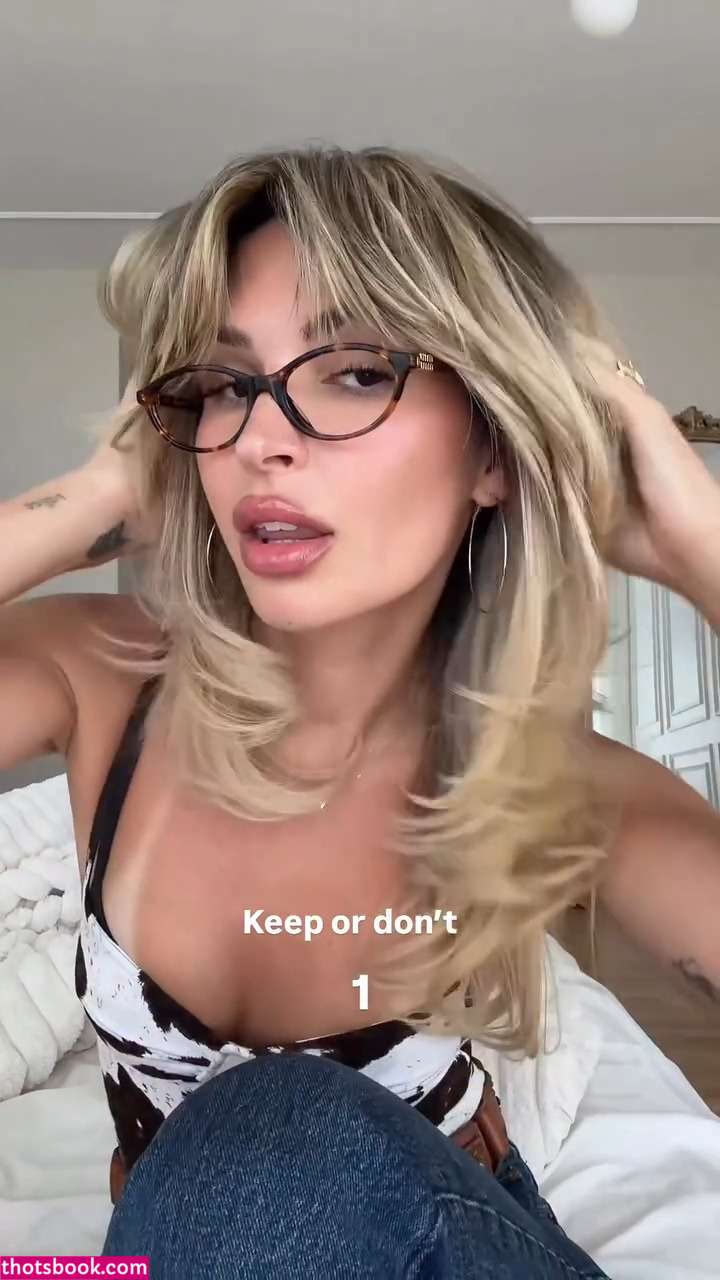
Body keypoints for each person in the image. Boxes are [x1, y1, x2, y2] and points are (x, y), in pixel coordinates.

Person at [1, 145, 718, 1278]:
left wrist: (702, 548)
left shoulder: (556, 779)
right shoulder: (101, 675)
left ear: (494, 447)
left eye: (355, 370)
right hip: (151, 1255)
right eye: (223, 383)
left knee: (273, 1132)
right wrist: (85, 498)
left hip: (448, 1243)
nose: (260, 438)